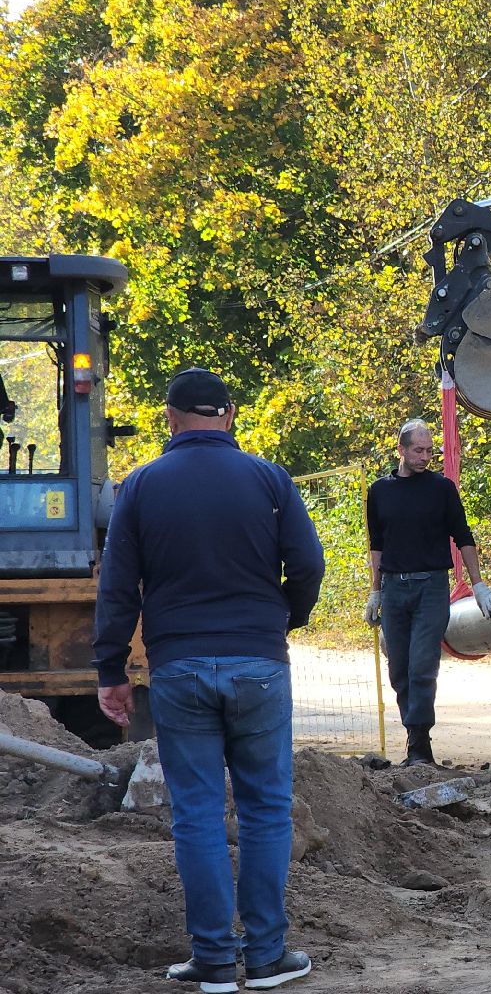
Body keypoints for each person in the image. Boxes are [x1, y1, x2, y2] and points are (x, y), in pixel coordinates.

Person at [93, 367, 324, 993]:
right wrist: (284, 618)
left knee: (196, 813)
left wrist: (111, 668)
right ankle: (268, 955)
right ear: (228, 416)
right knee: (266, 809)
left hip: (178, 666)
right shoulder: (269, 479)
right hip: (259, 663)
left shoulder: (139, 486)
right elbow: (308, 565)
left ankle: (215, 960)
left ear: (170, 418)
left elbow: (116, 589)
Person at [362, 418, 491, 767]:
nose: (425, 456)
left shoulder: (441, 488)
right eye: (418, 450)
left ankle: (419, 744)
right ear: (401, 450)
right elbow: (377, 545)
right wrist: (375, 591)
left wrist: (478, 584)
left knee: (423, 664)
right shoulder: (380, 491)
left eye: (429, 450)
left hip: (431, 585)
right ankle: (414, 735)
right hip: (393, 587)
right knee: (399, 667)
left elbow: (463, 536)